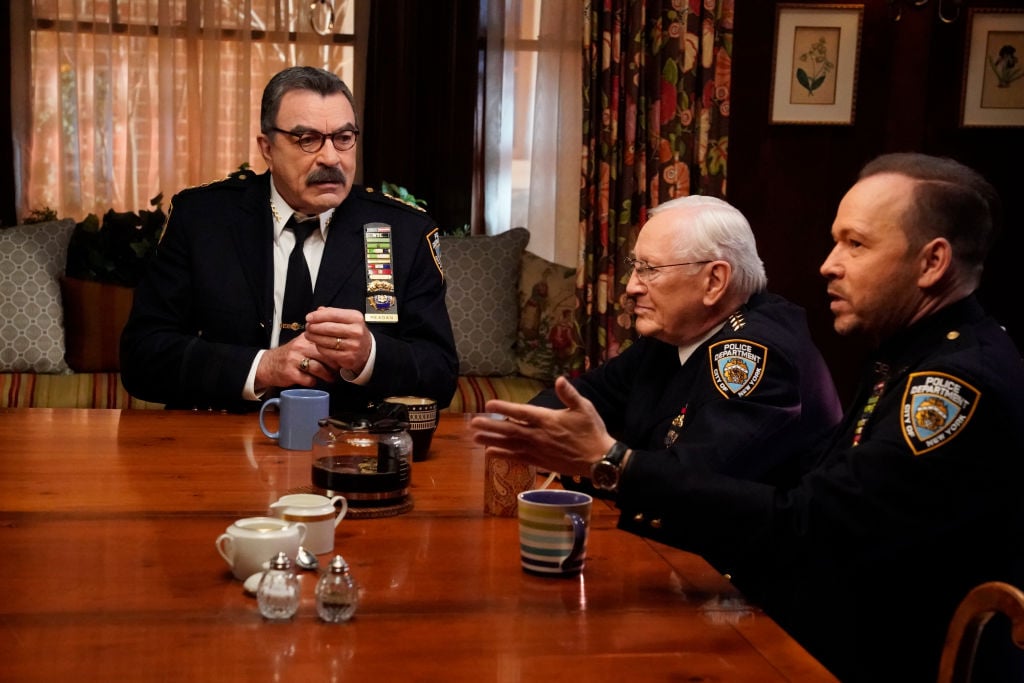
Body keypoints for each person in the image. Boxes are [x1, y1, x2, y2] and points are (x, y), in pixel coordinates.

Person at [472, 153, 1024, 682]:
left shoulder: (953, 384)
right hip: (819, 614)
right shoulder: (909, 351)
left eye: (855, 244)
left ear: (932, 262)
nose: (827, 265)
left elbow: (811, 529)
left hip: (869, 653)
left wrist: (610, 462)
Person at [121, 66, 458, 413]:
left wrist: (370, 355)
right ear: (267, 147)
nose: (331, 158)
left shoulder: (402, 232)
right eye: (307, 139)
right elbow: (142, 357)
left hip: (349, 449)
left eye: (343, 138)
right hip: (221, 443)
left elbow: (440, 374)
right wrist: (263, 367)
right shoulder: (203, 220)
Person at [529, 194, 842, 492]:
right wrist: (524, 429)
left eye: (649, 269)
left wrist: (595, 460)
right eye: (635, 267)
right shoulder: (674, 333)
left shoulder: (756, 355)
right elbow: (588, 394)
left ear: (714, 281)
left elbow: (692, 483)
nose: (632, 286)